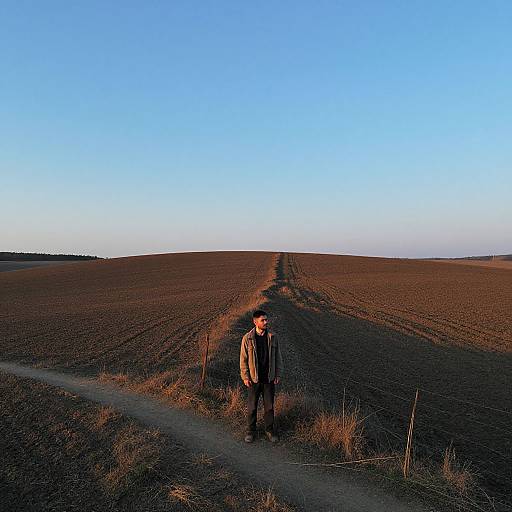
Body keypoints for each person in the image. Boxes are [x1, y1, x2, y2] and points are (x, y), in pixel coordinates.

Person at [239, 309, 284, 443]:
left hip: (269, 379)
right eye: (262, 320)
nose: (266, 322)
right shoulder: (247, 338)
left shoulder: (273, 337)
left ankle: (269, 430)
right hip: (253, 379)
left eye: (266, 319)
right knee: (252, 407)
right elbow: (243, 359)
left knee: (269, 407)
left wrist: (278, 374)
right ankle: (250, 431)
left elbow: (278, 357)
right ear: (255, 322)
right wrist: (245, 377)